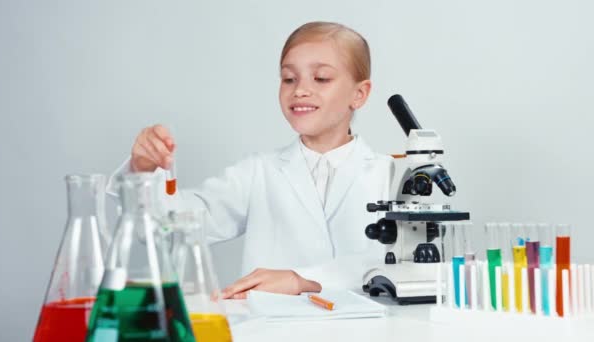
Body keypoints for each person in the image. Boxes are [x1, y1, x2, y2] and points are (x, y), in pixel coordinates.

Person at [110, 21, 394, 299]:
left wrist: (303, 280)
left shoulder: (391, 176)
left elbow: (407, 268)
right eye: (288, 78)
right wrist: (143, 173)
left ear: (359, 94)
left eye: (321, 78)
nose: (300, 90)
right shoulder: (258, 172)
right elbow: (169, 226)